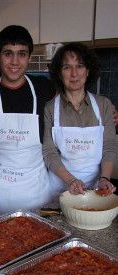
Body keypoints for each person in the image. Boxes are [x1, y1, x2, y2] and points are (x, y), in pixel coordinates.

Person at [0, 25, 56, 214]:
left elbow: (71, 99)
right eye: (8, 54)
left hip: (38, 191)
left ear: (29, 57)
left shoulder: (44, 88)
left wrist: (105, 112)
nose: (14, 61)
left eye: (21, 54)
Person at [43, 42, 117, 198]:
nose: (74, 74)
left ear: (88, 71)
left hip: (95, 188)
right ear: (59, 73)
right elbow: (49, 152)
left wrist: (105, 178)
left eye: (80, 66)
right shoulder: (50, 108)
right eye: (67, 67)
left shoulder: (103, 105)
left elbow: (109, 145)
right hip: (60, 188)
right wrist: (71, 180)